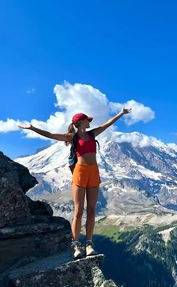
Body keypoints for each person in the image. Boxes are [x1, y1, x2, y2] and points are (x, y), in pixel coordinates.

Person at [18, 108, 132, 258]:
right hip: (80, 172)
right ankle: (76, 245)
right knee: (78, 211)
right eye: (87, 120)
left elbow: (107, 124)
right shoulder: (72, 137)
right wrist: (32, 128)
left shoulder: (92, 134)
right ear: (80, 122)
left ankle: (89, 244)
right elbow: (51, 135)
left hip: (93, 172)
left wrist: (121, 113)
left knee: (91, 210)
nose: (90, 121)